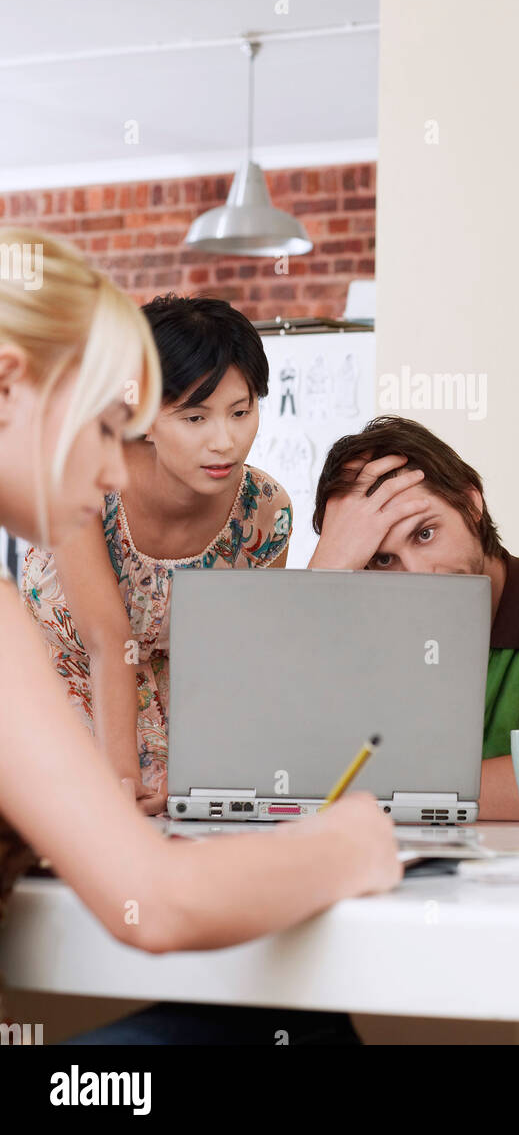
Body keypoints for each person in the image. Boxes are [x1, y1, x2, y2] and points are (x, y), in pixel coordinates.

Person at [0, 227, 401, 1044]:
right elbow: (155, 905)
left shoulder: (263, 508)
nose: (119, 469)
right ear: (10, 385)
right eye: (108, 427)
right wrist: (355, 839)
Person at [21, 294, 292, 813]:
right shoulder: (83, 477)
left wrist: (211, 777)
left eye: (241, 411)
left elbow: (239, 661)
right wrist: (119, 783)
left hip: (186, 725)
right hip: (57, 706)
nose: (225, 442)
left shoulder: (264, 511)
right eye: (195, 418)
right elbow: (107, 640)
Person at [310, 416, 519, 821]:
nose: (416, 575)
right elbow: (286, 767)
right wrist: (326, 572)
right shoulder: (367, 618)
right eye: (383, 559)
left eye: (424, 534)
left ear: (471, 503)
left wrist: (366, 788)